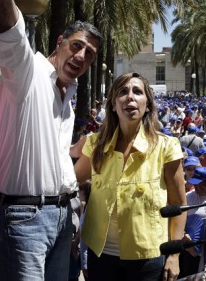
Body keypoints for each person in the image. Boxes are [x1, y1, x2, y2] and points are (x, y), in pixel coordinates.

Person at [0, 0, 103, 280]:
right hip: (24, 217)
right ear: (59, 43)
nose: (82, 56)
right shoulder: (27, 71)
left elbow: (43, 149)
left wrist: (71, 152)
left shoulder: (70, 91)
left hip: (63, 215)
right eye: (76, 46)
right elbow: (11, 34)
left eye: (90, 54)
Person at [74, 72, 186, 280]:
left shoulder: (166, 147)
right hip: (102, 256)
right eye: (123, 92)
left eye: (138, 92)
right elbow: (71, 180)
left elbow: (178, 205)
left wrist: (174, 255)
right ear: (113, 105)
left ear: (148, 104)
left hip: (148, 258)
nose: (130, 97)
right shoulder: (95, 145)